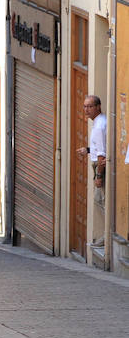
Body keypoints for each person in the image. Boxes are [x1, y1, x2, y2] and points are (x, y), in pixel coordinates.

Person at [78, 94, 107, 246]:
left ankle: (108, 234)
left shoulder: (99, 126)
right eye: (85, 106)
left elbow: (102, 154)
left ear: (98, 107)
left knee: (101, 200)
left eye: (90, 106)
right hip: (99, 164)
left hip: (100, 167)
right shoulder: (99, 122)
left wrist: (99, 176)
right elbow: (99, 147)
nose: (86, 110)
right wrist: (88, 150)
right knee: (100, 200)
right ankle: (107, 234)